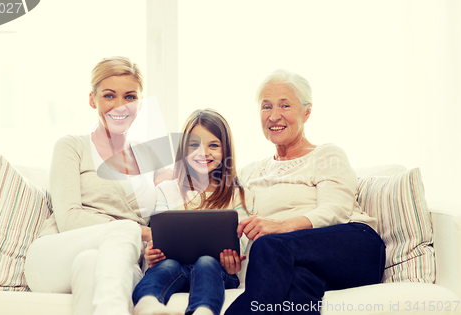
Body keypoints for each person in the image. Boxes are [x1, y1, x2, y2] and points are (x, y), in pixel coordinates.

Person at [224, 70, 385, 315]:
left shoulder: (327, 155)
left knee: (269, 246)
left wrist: (282, 226)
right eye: (266, 107)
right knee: (296, 287)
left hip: (354, 247)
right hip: (299, 263)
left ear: (306, 112)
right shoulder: (249, 172)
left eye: (285, 105)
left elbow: (335, 211)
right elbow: (232, 218)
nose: (274, 115)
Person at [24, 56, 167, 315]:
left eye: (130, 97)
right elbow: (68, 218)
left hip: (123, 265)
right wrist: (142, 233)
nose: (120, 106)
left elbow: (183, 198)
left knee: (91, 263)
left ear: (140, 102)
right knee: (123, 232)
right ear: (93, 99)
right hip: (55, 254)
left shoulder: (150, 157)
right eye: (109, 96)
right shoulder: (72, 147)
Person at [132, 109, 254, 315]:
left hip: (217, 271)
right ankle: (148, 305)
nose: (203, 152)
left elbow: (239, 245)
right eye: (194, 145)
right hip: (172, 266)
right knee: (166, 265)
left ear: (226, 151)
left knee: (206, 262)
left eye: (213, 145)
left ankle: (203, 311)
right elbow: (160, 235)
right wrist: (152, 253)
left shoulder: (239, 195)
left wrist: (233, 261)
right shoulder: (166, 190)